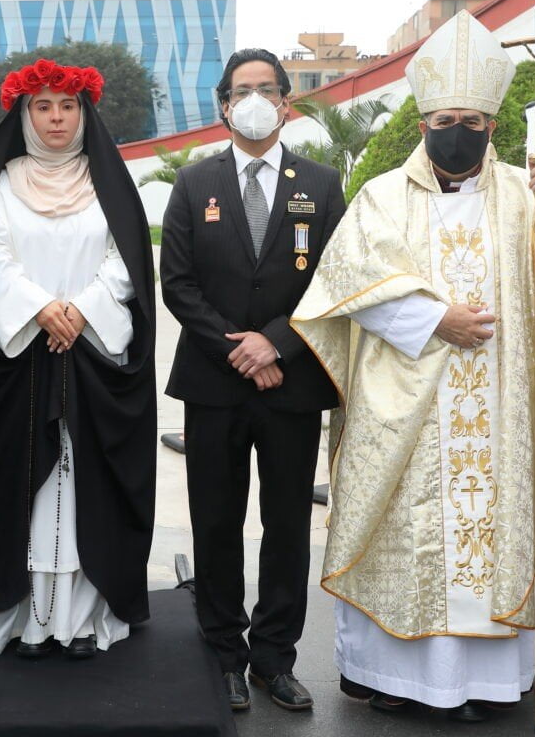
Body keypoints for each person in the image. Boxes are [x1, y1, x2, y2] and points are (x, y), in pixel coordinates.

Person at [289, 11, 535, 723]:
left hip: (500, 408)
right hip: (408, 406)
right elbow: (348, 284)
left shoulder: (527, 195)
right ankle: (395, 679)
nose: (455, 130)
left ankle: (487, 687)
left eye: (470, 118)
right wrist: (438, 319)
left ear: (492, 125)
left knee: (492, 534)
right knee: (406, 536)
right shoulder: (381, 196)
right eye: (443, 118)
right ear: (424, 122)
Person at [0, 59, 157, 660]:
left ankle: (85, 619)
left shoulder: (108, 181)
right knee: (22, 491)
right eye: (43, 106)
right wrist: (39, 310)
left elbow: (127, 258)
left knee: (90, 489)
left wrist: (82, 310)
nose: (57, 118)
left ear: (84, 112)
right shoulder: (4, 182)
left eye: (67, 106)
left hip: (92, 354)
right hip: (22, 362)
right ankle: (21, 620)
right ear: (24, 114)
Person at [160, 48, 346, 712]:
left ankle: (274, 658)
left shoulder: (321, 185)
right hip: (214, 384)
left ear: (287, 103)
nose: (256, 99)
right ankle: (223, 656)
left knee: (288, 525)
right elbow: (177, 283)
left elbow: (335, 280)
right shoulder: (194, 182)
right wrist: (236, 349)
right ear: (223, 105)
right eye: (243, 90)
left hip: (291, 385)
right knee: (215, 523)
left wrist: (277, 343)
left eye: (268, 88)